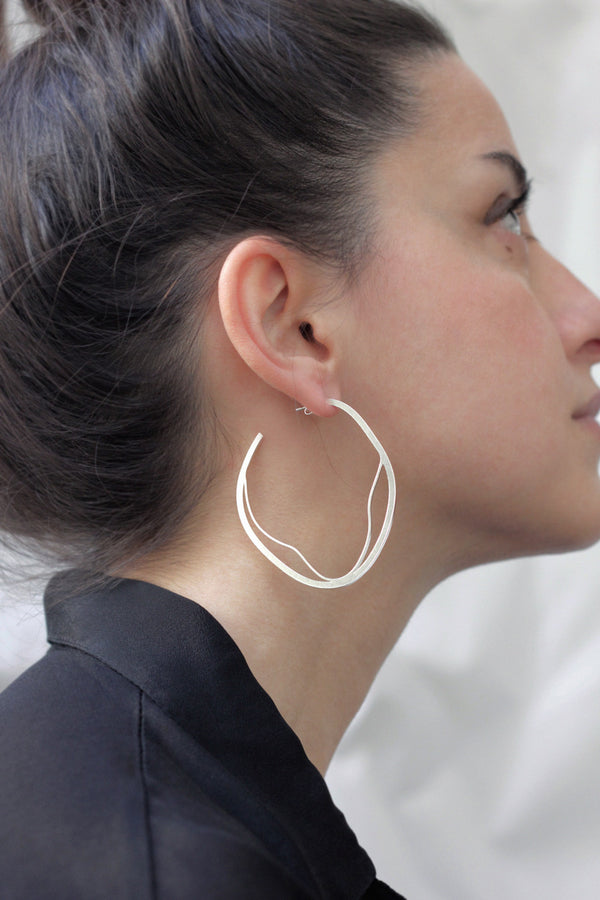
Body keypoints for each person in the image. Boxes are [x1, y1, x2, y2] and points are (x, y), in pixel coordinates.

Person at [1, 0, 600, 897]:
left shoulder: (130, 815)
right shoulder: (162, 872)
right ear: (292, 325)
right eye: (503, 218)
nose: (588, 316)